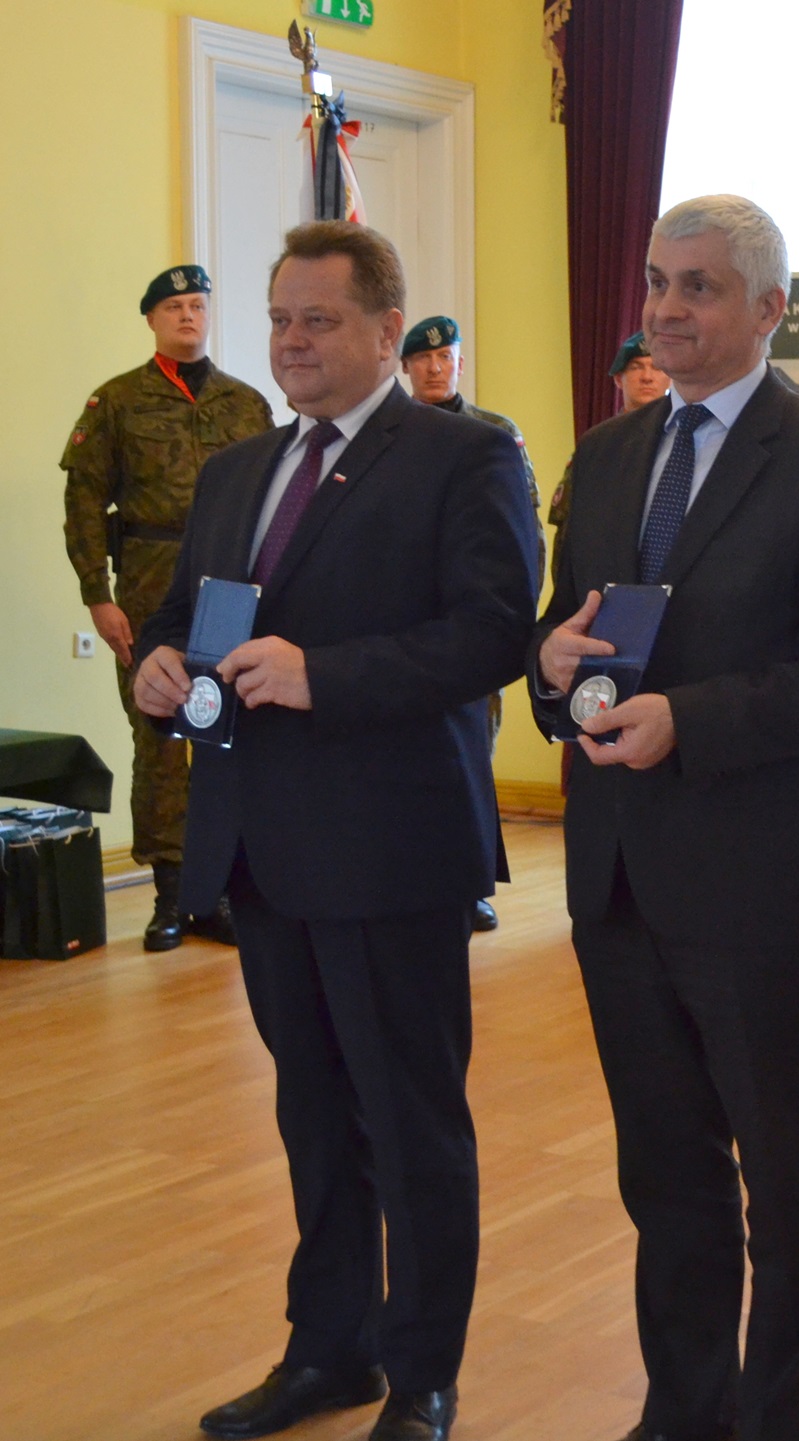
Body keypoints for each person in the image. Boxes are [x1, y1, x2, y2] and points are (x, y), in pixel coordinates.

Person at [132, 221, 541, 1441]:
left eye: (318, 319)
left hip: (390, 851)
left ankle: (421, 1376)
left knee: (411, 1126)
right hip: (259, 851)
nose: (291, 342)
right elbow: (178, 617)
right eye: (279, 319)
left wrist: (326, 676)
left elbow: (492, 633)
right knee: (312, 1117)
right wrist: (156, 669)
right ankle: (330, 1349)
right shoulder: (236, 471)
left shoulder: (465, 454)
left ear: (383, 328)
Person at [529, 195, 799, 1441]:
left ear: (770, 308)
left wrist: (690, 717)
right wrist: (549, 667)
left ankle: (779, 1420)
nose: (666, 309)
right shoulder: (608, 453)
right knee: (666, 1177)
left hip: (749, 877)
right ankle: (684, 1412)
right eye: (655, 282)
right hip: (615, 876)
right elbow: (565, 634)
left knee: (783, 1188)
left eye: (699, 286)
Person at [61, 263, 273, 950]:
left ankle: (227, 887)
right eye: (174, 306)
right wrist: (97, 595)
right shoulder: (118, 402)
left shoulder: (247, 403)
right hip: (151, 584)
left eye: (198, 305)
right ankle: (172, 896)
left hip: (233, 587)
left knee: (232, 730)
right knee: (159, 735)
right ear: (151, 319)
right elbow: (83, 502)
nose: (188, 316)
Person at [401, 313, 545, 932]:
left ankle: (471, 885)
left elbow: (526, 534)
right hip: (407, 627)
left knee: (472, 758)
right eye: (423, 359)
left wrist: (515, 619)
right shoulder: (389, 435)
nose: (436, 368)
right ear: (405, 367)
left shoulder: (494, 434)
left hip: (475, 620)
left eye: (446, 358)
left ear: (460, 364)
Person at [545, 330, 669, 567]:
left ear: (670, 377)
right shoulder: (598, 447)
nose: (647, 377)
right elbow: (568, 533)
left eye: (656, 368)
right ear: (618, 379)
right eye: (635, 367)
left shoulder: (683, 443)